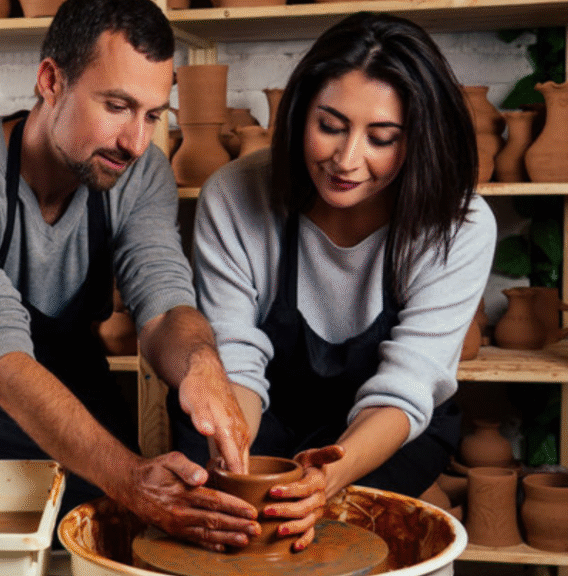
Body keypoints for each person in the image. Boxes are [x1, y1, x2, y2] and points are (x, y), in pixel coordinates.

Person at [0, 0, 288, 552]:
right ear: (51, 80)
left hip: (79, 403)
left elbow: (163, 306)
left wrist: (201, 364)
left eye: (153, 115)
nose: (135, 141)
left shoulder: (139, 173)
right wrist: (131, 478)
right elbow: (4, 364)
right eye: (117, 106)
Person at [180, 10, 497, 544]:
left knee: (356, 541)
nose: (348, 159)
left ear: (419, 138)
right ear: (302, 112)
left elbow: (408, 386)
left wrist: (326, 480)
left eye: (382, 137)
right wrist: (242, 469)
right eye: (329, 126)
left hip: (387, 428)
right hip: (264, 415)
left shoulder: (458, 224)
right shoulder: (234, 196)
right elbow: (233, 356)